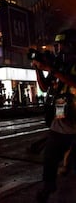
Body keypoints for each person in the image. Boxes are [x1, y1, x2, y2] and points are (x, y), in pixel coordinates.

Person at [31, 29, 76, 203]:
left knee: (71, 167)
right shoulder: (59, 66)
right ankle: (48, 185)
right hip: (59, 121)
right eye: (57, 45)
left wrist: (52, 69)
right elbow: (44, 87)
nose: (58, 48)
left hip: (74, 123)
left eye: (61, 44)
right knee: (49, 157)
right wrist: (38, 69)